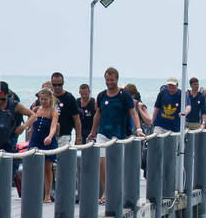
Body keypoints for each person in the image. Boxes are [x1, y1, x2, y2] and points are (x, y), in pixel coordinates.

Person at [86, 67, 144, 199]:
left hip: (119, 134)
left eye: (112, 80)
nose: (109, 82)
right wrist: (93, 132)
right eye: (107, 80)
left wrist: (139, 129)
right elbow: (97, 114)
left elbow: (133, 112)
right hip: (103, 133)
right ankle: (106, 191)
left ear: (116, 80)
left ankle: (118, 189)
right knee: (102, 162)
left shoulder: (124, 95)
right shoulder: (101, 95)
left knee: (117, 164)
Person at [23, 84, 60, 203]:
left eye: (45, 99)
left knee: (47, 168)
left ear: (50, 99)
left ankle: (48, 194)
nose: (43, 101)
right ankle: (32, 191)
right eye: (41, 99)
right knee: (31, 165)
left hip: (47, 139)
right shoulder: (36, 110)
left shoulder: (53, 112)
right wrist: (28, 135)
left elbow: (54, 126)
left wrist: (49, 136)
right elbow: (31, 124)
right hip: (35, 139)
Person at [48, 72, 80, 144]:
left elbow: (76, 118)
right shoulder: (48, 97)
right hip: (49, 134)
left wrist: (78, 137)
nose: (57, 87)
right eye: (54, 85)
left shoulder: (69, 98)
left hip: (64, 135)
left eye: (59, 85)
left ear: (63, 83)